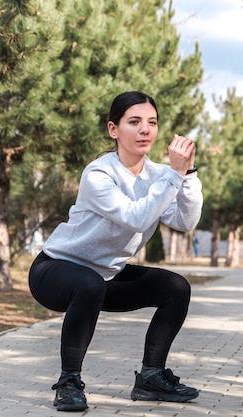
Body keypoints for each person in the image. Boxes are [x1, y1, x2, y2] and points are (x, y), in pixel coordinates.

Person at [28, 91, 203, 411]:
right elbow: (136, 218)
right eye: (134, 122)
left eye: (152, 122)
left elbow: (184, 220)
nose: (145, 130)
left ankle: (151, 378)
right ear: (114, 129)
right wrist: (174, 176)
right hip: (55, 270)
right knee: (88, 283)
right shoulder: (99, 174)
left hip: (106, 275)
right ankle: (68, 383)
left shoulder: (159, 175)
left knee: (176, 287)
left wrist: (188, 175)